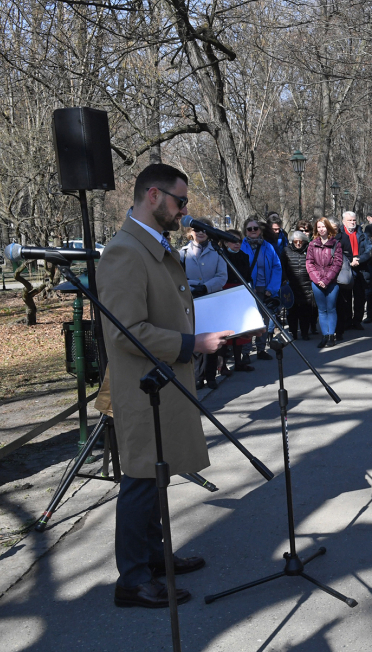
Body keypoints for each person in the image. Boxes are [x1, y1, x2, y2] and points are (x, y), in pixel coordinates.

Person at [99, 163, 232, 608]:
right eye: (180, 201)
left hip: (163, 382)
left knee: (159, 474)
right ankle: (132, 580)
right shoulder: (124, 251)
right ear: (152, 196)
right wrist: (190, 342)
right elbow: (125, 330)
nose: (184, 211)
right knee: (140, 482)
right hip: (142, 389)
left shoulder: (153, 244)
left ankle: (153, 557)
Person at [180, 221, 228, 389]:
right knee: (197, 339)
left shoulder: (217, 252)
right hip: (192, 300)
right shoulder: (183, 253)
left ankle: (211, 375)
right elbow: (177, 277)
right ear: (190, 232)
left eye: (204, 229)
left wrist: (206, 286)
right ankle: (198, 377)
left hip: (212, 298)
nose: (200, 232)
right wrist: (193, 286)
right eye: (196, 229)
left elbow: (222, 275)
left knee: (212, 338)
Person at [240, 217, 282, 360]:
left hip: (265, 288)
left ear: (260, 231)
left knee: (264, 320)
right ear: (245, 231)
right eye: (249, 229)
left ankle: (261, 349)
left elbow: (277, 267)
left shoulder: (268, 247)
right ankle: (245, 352)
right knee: (248, 320)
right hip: (248, 289)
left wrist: (272, 288)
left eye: (255, 228)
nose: (253, 231)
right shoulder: (240, 246)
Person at [220, 229, 255, 373]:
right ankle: (222, 365)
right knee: (225, 329)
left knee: (239, 329)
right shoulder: (221, 255)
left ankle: (239, 361)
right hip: (224, 291)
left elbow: (247, 276)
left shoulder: (244, 256)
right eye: (233, 240)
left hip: (240, 291)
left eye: (239, 241)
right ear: (225, 242)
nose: (237, 244)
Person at [306, 217, 343, 348]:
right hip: (317, 282)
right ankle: (324, 336)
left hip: (331, 282)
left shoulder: (336, 244)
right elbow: (309, 263)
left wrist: (326, 280)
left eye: (324, 227)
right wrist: (317, 280)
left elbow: (337, 264)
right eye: (319, 227)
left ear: (328, 228)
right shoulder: (312, 244)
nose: (322, 229)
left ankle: (331, 336)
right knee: (321, 310)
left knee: (331, 308)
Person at [337, 211, 372, 331]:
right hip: (346, 269)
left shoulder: (362, 234)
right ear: (343, 222)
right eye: (350, 220)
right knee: (346, 297)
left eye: (354, 220)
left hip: (361, 268)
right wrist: (349, 262)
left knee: (360, 297)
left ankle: (357, 321)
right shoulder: (339, 235)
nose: (352, 222)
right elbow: (337, 252)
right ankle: (347, 321)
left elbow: (369, 251)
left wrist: (359, 260)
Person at [280, 230, 314, 341]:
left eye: (301, 241)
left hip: (306, 285)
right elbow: (282, 267)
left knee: (305, 312)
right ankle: (293, 333)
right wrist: (284, 279)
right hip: (291, 285)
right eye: (296, 242)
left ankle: (305, 333)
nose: (298, 244)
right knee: (292, 312)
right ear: (292, 242)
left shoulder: (309, 250)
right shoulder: (286, 251)